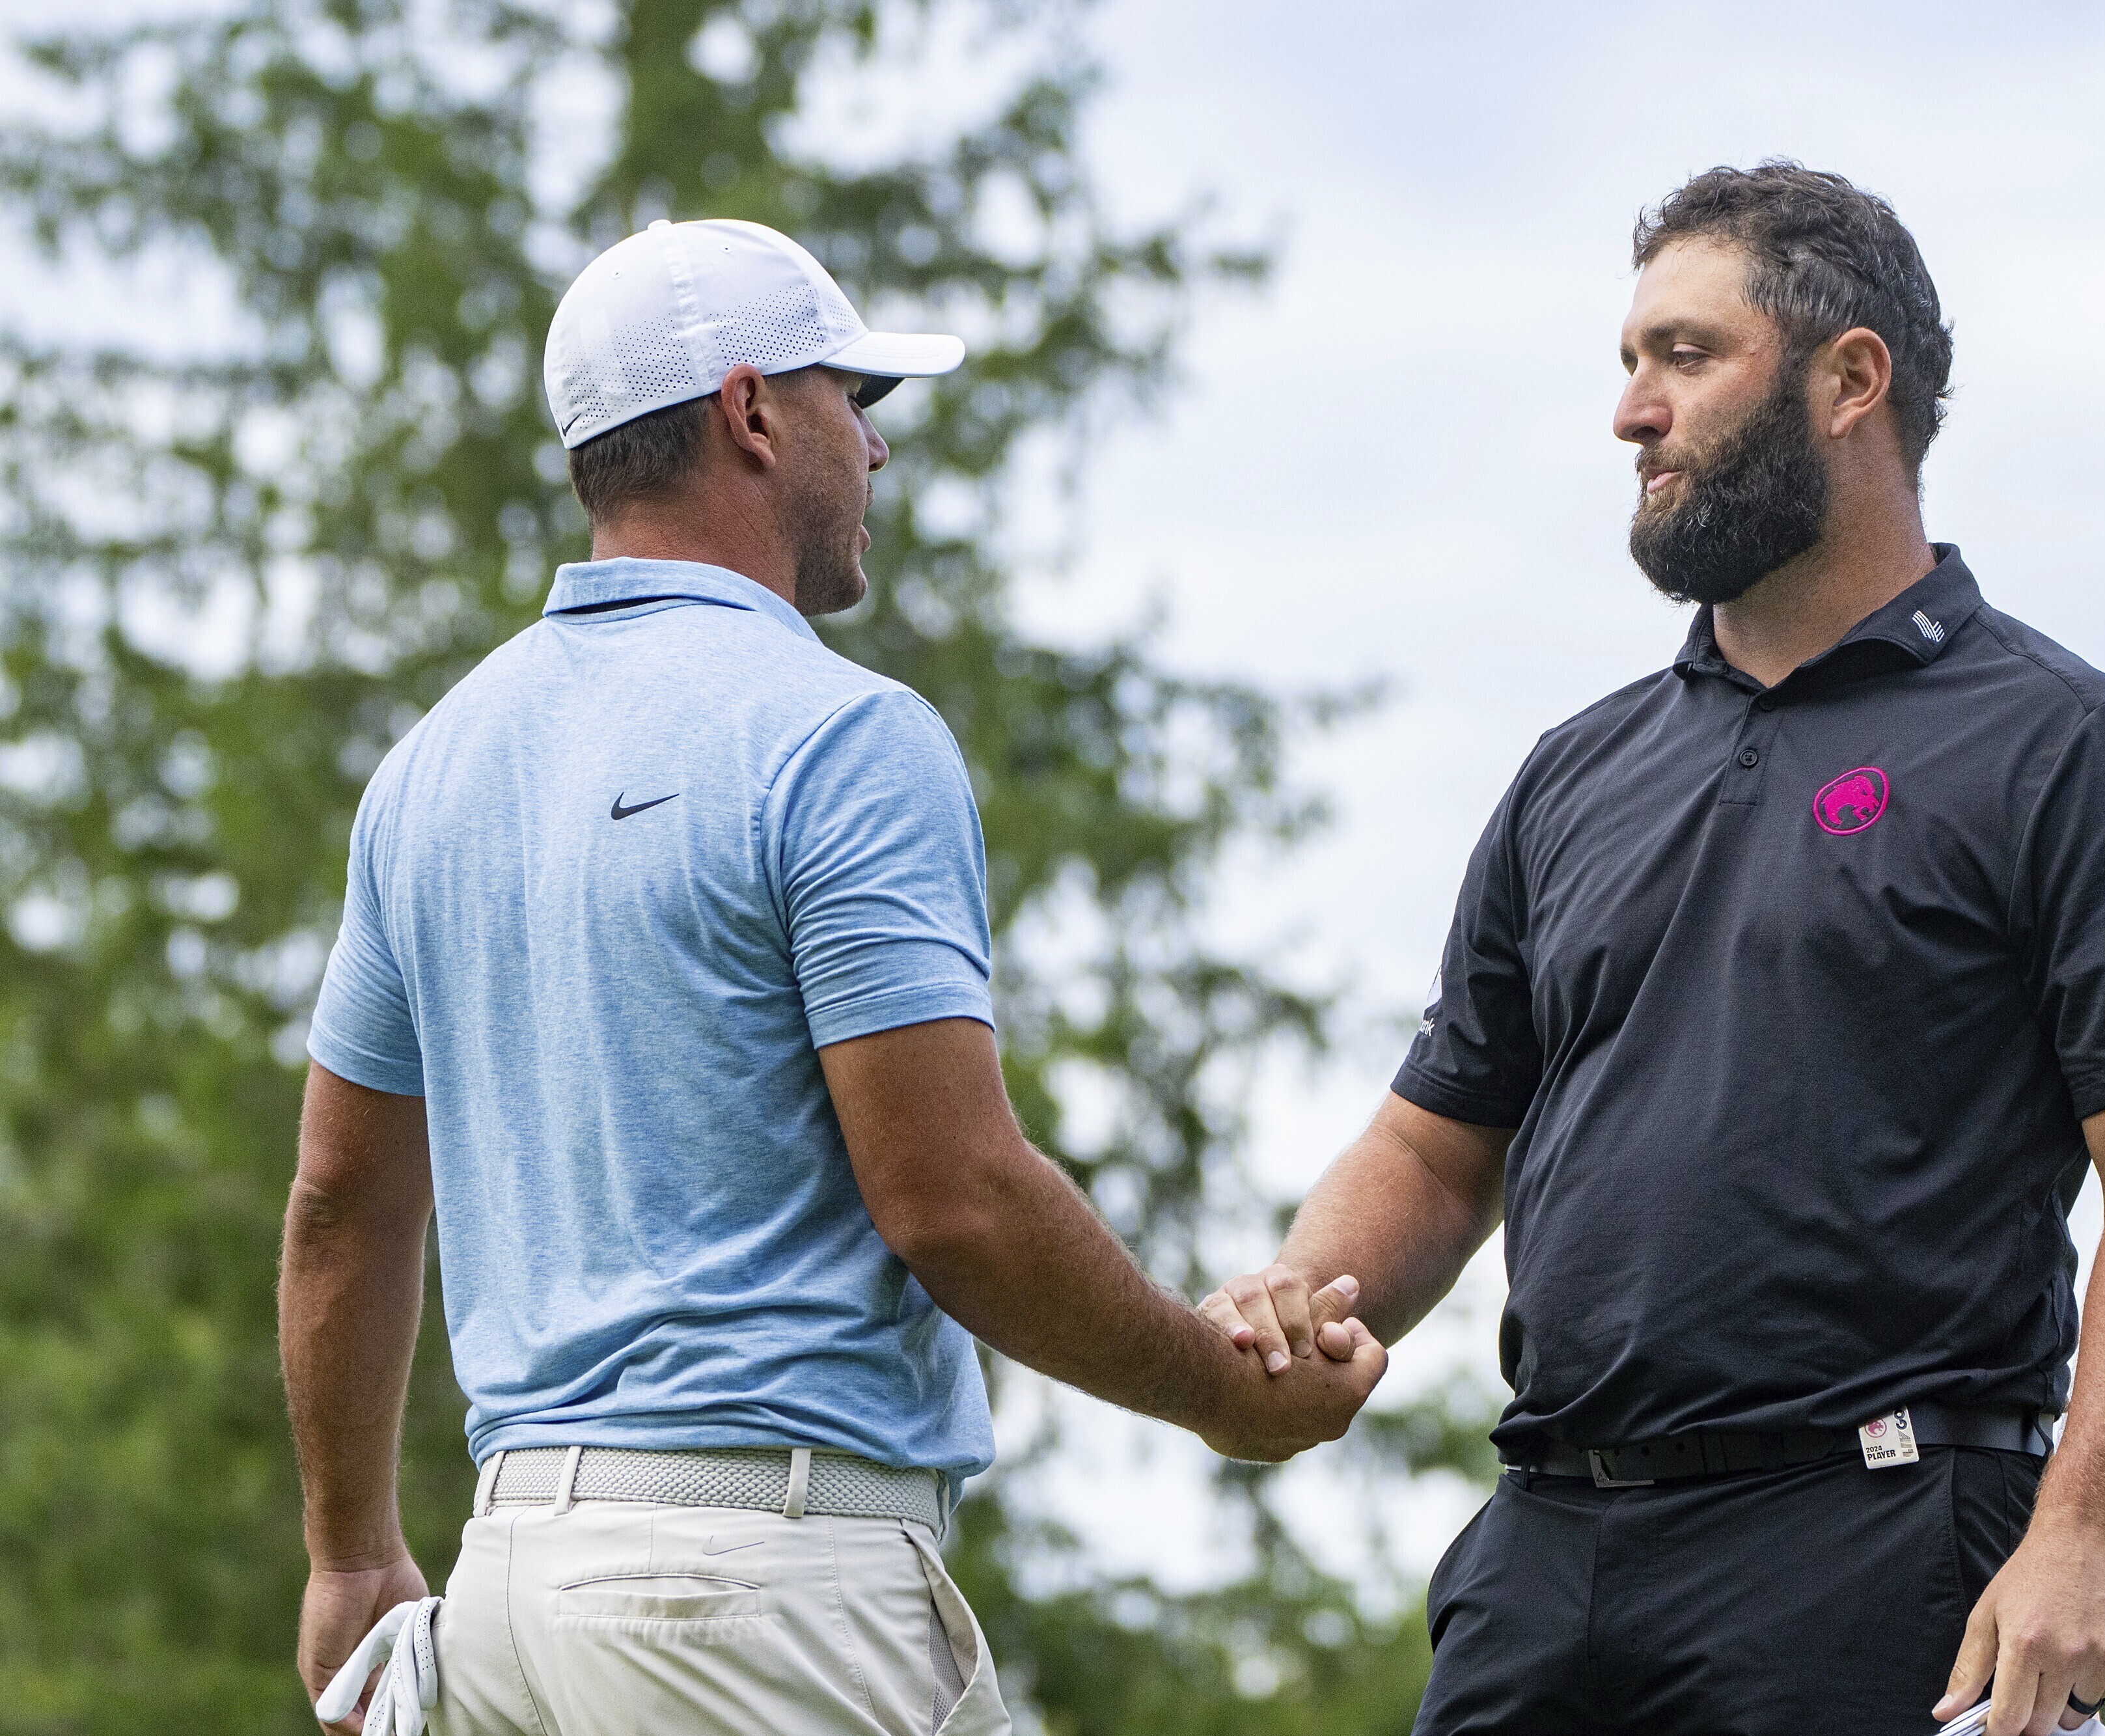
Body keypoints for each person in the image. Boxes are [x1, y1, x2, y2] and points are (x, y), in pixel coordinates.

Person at [280, 217, 1386, 1736]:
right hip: (755, 1598)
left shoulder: (426, 773)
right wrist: (1215, 1387)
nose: (871, 451)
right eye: (848, 401)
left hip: (505, 1599)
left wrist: (349, 1555)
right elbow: (952, 1201)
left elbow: (342, 1200)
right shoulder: (840, 734)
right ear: (749, 413)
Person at [1197, 160, 2105, 1736]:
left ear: (1850, 381)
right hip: (1545, 1546)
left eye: (1684, 356)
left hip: (1879, 1539)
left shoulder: (2071, 748)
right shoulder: (1575, 768)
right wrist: (1301, 1287)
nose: (1632, 411)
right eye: (1626, 365)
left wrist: (2085, 1532)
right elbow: (1433, 1147)